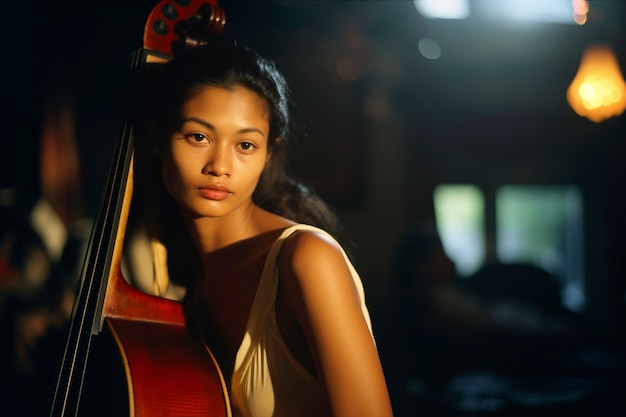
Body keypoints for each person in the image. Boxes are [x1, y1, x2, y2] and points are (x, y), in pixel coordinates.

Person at [130, 41, 393, 417]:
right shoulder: (187, 287)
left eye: (246, 145)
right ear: (157, 140)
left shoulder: (308, 258)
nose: (220, 165)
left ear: (269, 153)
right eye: (198, 136)